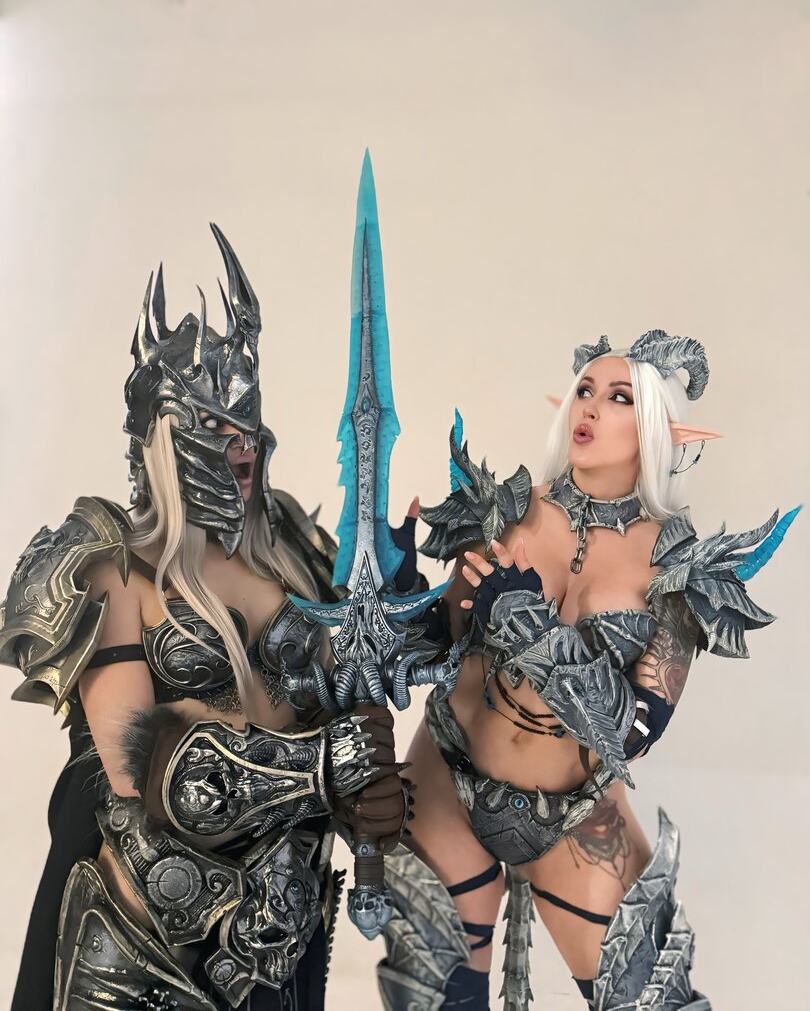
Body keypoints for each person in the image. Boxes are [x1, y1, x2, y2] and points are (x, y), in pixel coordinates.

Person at [0, 225, 407, 1011]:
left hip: (276, 928)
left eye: (247, 419)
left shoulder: (295, 548)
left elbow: (349, 695)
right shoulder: (109, 566)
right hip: (148, 940)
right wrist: (324, 769)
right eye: (216, 424)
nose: (242, 442)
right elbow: (147, 775)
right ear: (165, 432)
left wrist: (444, 606)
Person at [376, 330, 793, 1010]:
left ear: (657, 425)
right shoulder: (504, 509)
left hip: (572, 816)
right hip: (447, 776)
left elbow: (633, 731)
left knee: (652, 997)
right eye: (585, 390)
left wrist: (534, 629)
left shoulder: (680, 571)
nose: (590, 408)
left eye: (619, 397)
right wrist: (398, 593)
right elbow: (440, 644)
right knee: (434, 995)